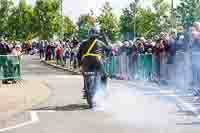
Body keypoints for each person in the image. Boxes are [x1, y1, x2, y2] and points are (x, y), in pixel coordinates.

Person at [77, 26, 112, 99]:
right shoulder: (100, 42)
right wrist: (107, 58)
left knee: (85, 74)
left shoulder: (83, 43)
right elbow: (109, 49)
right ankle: (103, 90)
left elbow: (78, 55)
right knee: (104, 76)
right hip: (97, 61)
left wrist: (79, 64)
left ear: (89, 34)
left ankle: (85, 90)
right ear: (97, 34)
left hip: (86, 62)